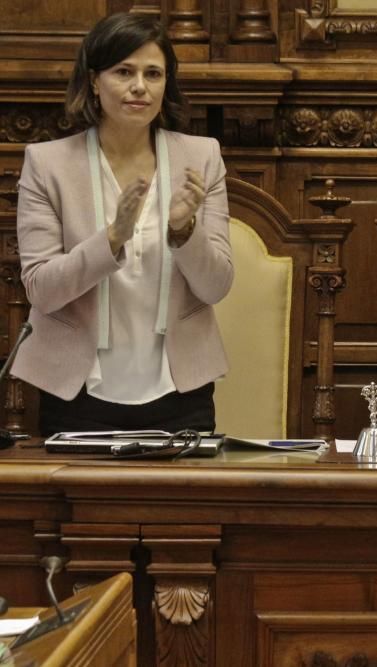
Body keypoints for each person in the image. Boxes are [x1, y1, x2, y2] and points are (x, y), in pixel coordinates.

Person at [13, 13, 233, 435]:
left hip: (181, 393)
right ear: (94, 81)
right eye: (123, 72)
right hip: (76, 393)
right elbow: (42, 290)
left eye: (154, 74)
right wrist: (112, 238)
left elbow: (215, 287)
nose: (139, 86)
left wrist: (185, 232)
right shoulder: (49, 164)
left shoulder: (201, 157)